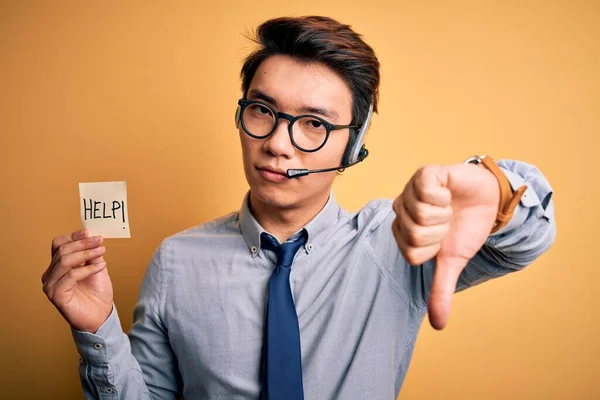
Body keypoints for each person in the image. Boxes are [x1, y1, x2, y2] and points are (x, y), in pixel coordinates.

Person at [41, 15, 556, 400]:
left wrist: (499, 192)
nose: (279, 144)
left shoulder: (395, 240)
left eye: (314, 123)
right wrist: (97, 328)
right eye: (263, 110)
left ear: (352, 146)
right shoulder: (176, 261)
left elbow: (523, 242)